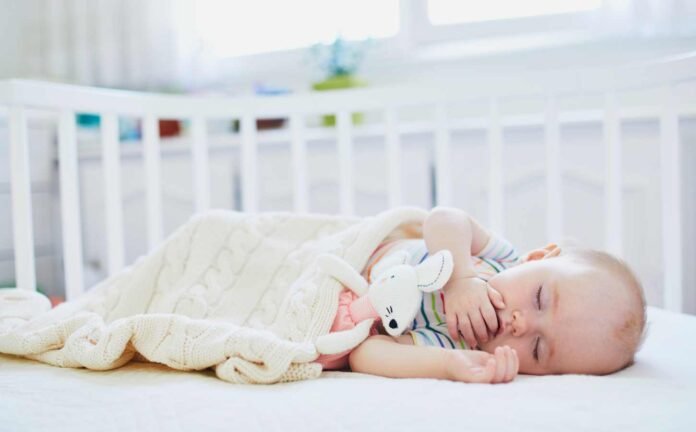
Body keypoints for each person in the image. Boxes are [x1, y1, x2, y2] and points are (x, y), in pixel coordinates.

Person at [341, 207, 647, 383]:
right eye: (539, 298)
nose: (521, 324)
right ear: (537, 258)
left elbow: (364, 354)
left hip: (346, 291)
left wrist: (446, 364)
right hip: (359, 250)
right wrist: (460, 278)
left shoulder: (460, 341)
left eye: (538, 348)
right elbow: (443, 218)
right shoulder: (501, 260)